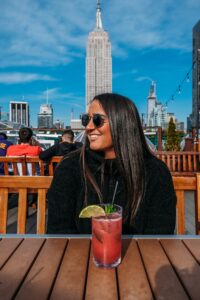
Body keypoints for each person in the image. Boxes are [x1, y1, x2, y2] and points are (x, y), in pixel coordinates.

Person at [47, 93, 176, 234]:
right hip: (79, 255)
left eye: (97, 120)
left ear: (122, 123)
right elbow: (59, 233)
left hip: (141, 255)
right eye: (86, 119)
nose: (88, 127)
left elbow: (158, 237)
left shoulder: (155, 172)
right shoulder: (70, 167)